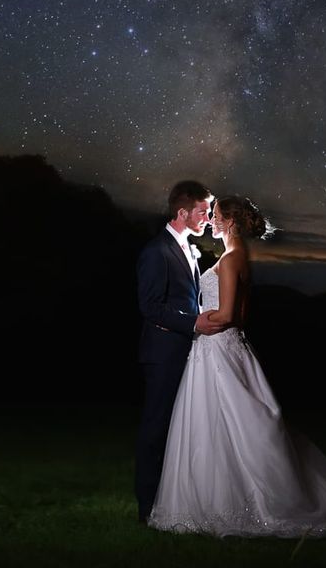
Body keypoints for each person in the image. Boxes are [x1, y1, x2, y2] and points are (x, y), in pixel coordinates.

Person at [148, 195, 326, 539]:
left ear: (230, 221)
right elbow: (241, 317)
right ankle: (222, 500)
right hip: (225, 348)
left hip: (217, 349)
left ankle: (232, 504)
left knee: (223, 424)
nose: (210, 220)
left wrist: (196, 320)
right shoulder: (241, 258)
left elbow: (229, 316)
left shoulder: (230, 260)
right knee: (226, 425)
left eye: (215, 215)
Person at [134, 180, 225, 524]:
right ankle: (147, 509)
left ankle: (175, 501)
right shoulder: (156, 252)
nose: (208, 216)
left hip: (187, 351)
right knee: (156, 429)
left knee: (181, 429)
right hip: (163, 354)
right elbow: (150, 306)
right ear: (182, 212)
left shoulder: (189, 247)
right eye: (203, 210)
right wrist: (194, 324)